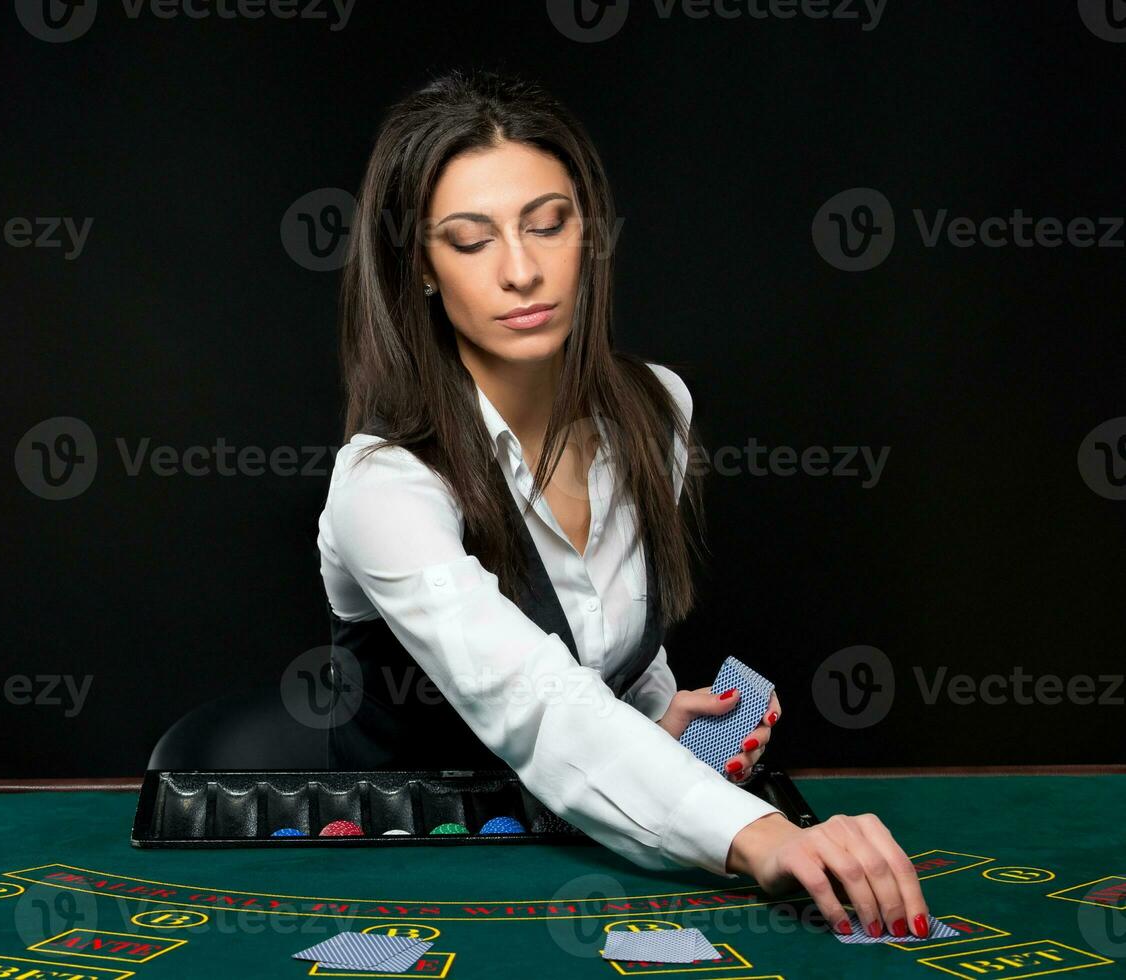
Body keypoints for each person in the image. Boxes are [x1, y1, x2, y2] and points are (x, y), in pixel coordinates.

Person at [315, 67, 932, 941]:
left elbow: (597, 658)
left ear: (588, 233)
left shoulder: (656, 409)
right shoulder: (383, 480)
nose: (522, 271)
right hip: (413, 887)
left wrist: (653, 712)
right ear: (418, 265)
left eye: (548, 224)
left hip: (585, 861)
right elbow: (529, 695)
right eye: (470, 239)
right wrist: (756, 834)